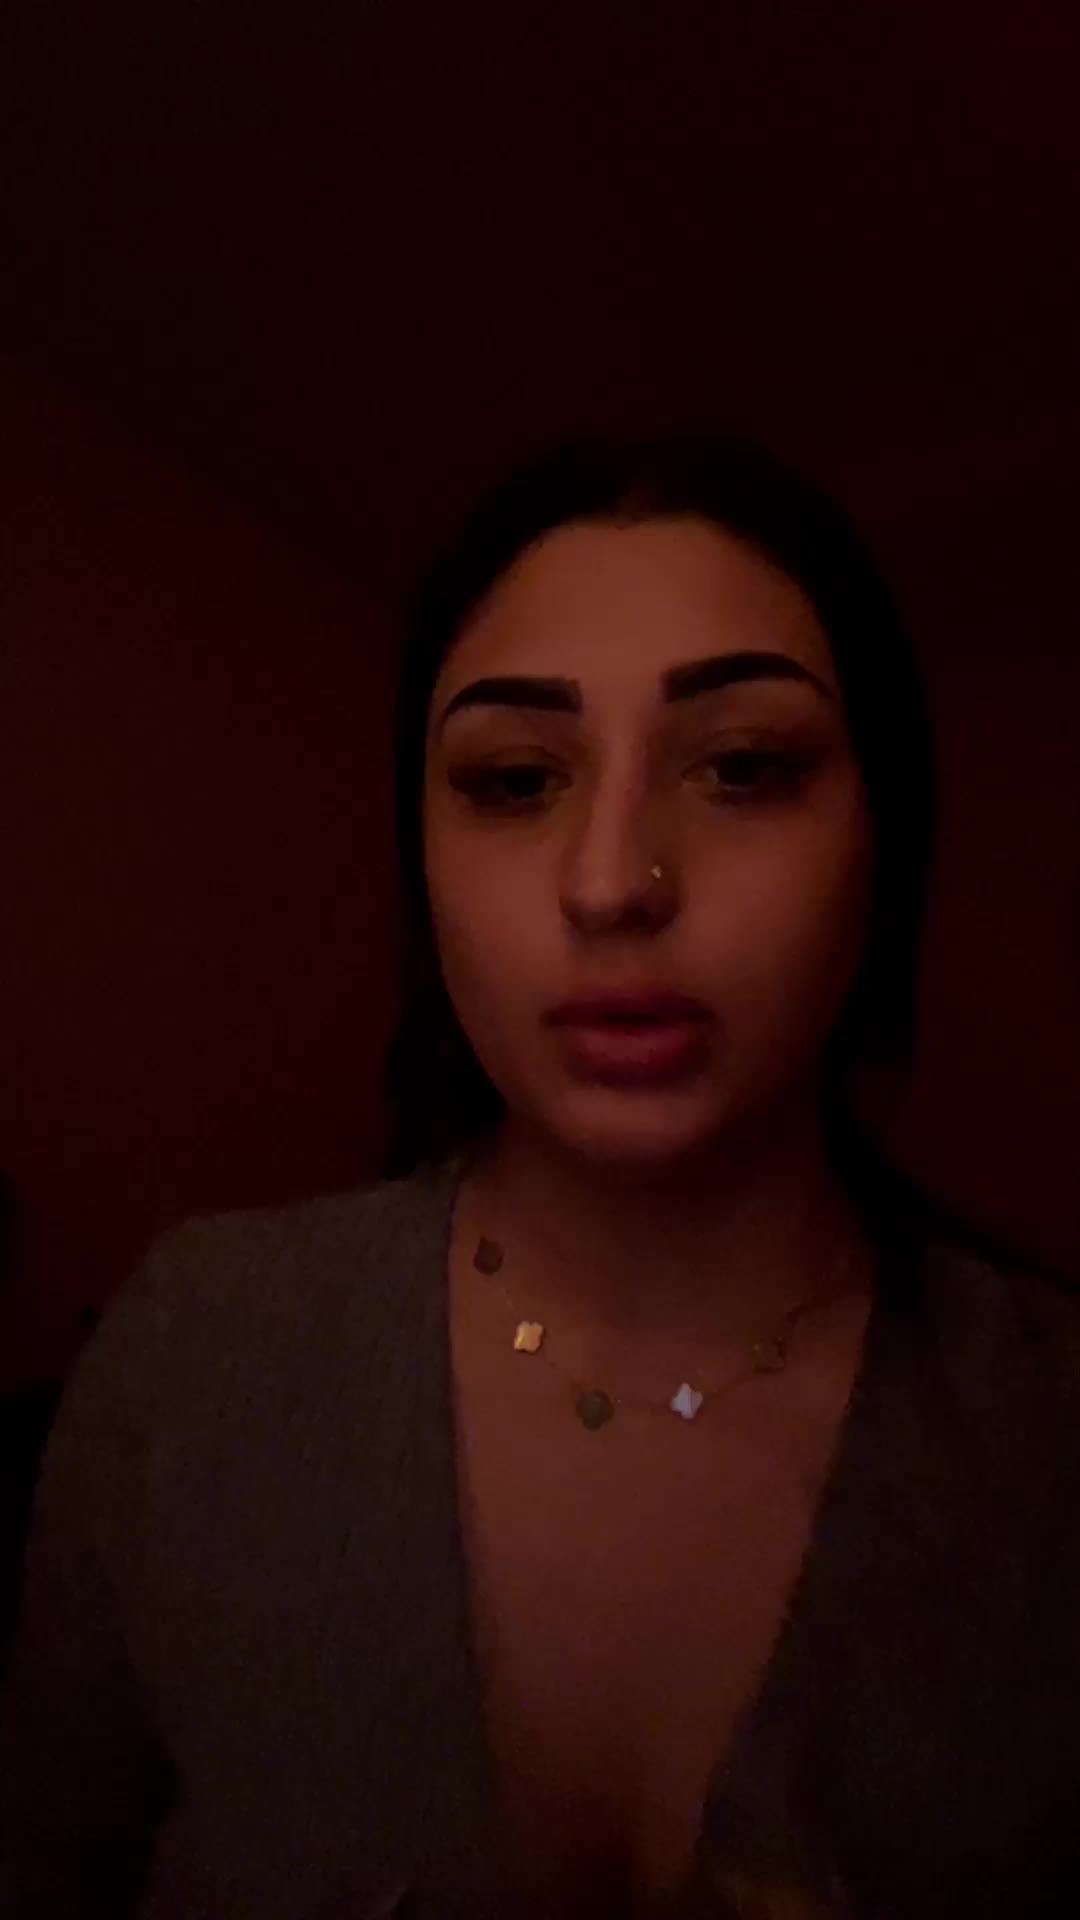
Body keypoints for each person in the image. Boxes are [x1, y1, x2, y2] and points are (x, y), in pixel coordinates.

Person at [2, 424, 1078, 1919]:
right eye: (514, 779)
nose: (611, 881)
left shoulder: (1046, 1443)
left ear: (885, 845)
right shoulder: (194, 1360)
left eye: (746, 766)